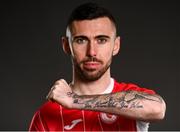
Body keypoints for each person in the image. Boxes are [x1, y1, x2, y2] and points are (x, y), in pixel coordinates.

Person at [29, 2, 166, 131]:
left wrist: (74, 101)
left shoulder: (131, 94)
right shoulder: (45, 115)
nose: (91, 52)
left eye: (101, 40)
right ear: (66, 45)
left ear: (116, 45)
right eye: (81, 40)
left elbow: (158, 109)